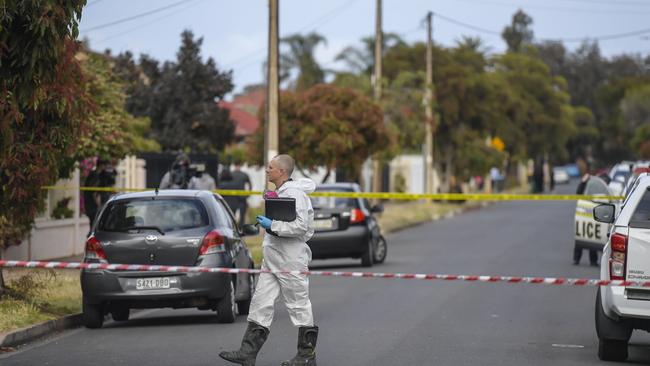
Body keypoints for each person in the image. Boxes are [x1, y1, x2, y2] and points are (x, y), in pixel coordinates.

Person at [220, 154, 319, 366]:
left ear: (282, 171)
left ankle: (307, 356)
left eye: (270, 167)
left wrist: (272, 225)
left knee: (298, 306)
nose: (266, 170)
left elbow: (301, 227)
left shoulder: (296, 195)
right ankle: (247, 353)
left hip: (290, 260)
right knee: (260, 303)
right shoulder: (283, 192)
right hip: (273, 258)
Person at [574, 168, 599, 266]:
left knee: (592, 236)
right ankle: (576, 258)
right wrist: (583, 182)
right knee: (580, 234)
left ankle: (593, 260)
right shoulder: (584, 184)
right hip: (583, 210)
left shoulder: (598, 184)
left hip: (594, 210)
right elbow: (578, 193)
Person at [83, 158, 116, 227]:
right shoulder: (95, 176)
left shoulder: (97, 175)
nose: (106, 168)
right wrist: (100, 206)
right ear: (101, 165)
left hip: (91, 205)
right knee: (95, 226)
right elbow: (94, 193)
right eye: (105, 165)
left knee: (94, 225)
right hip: (92, 206)